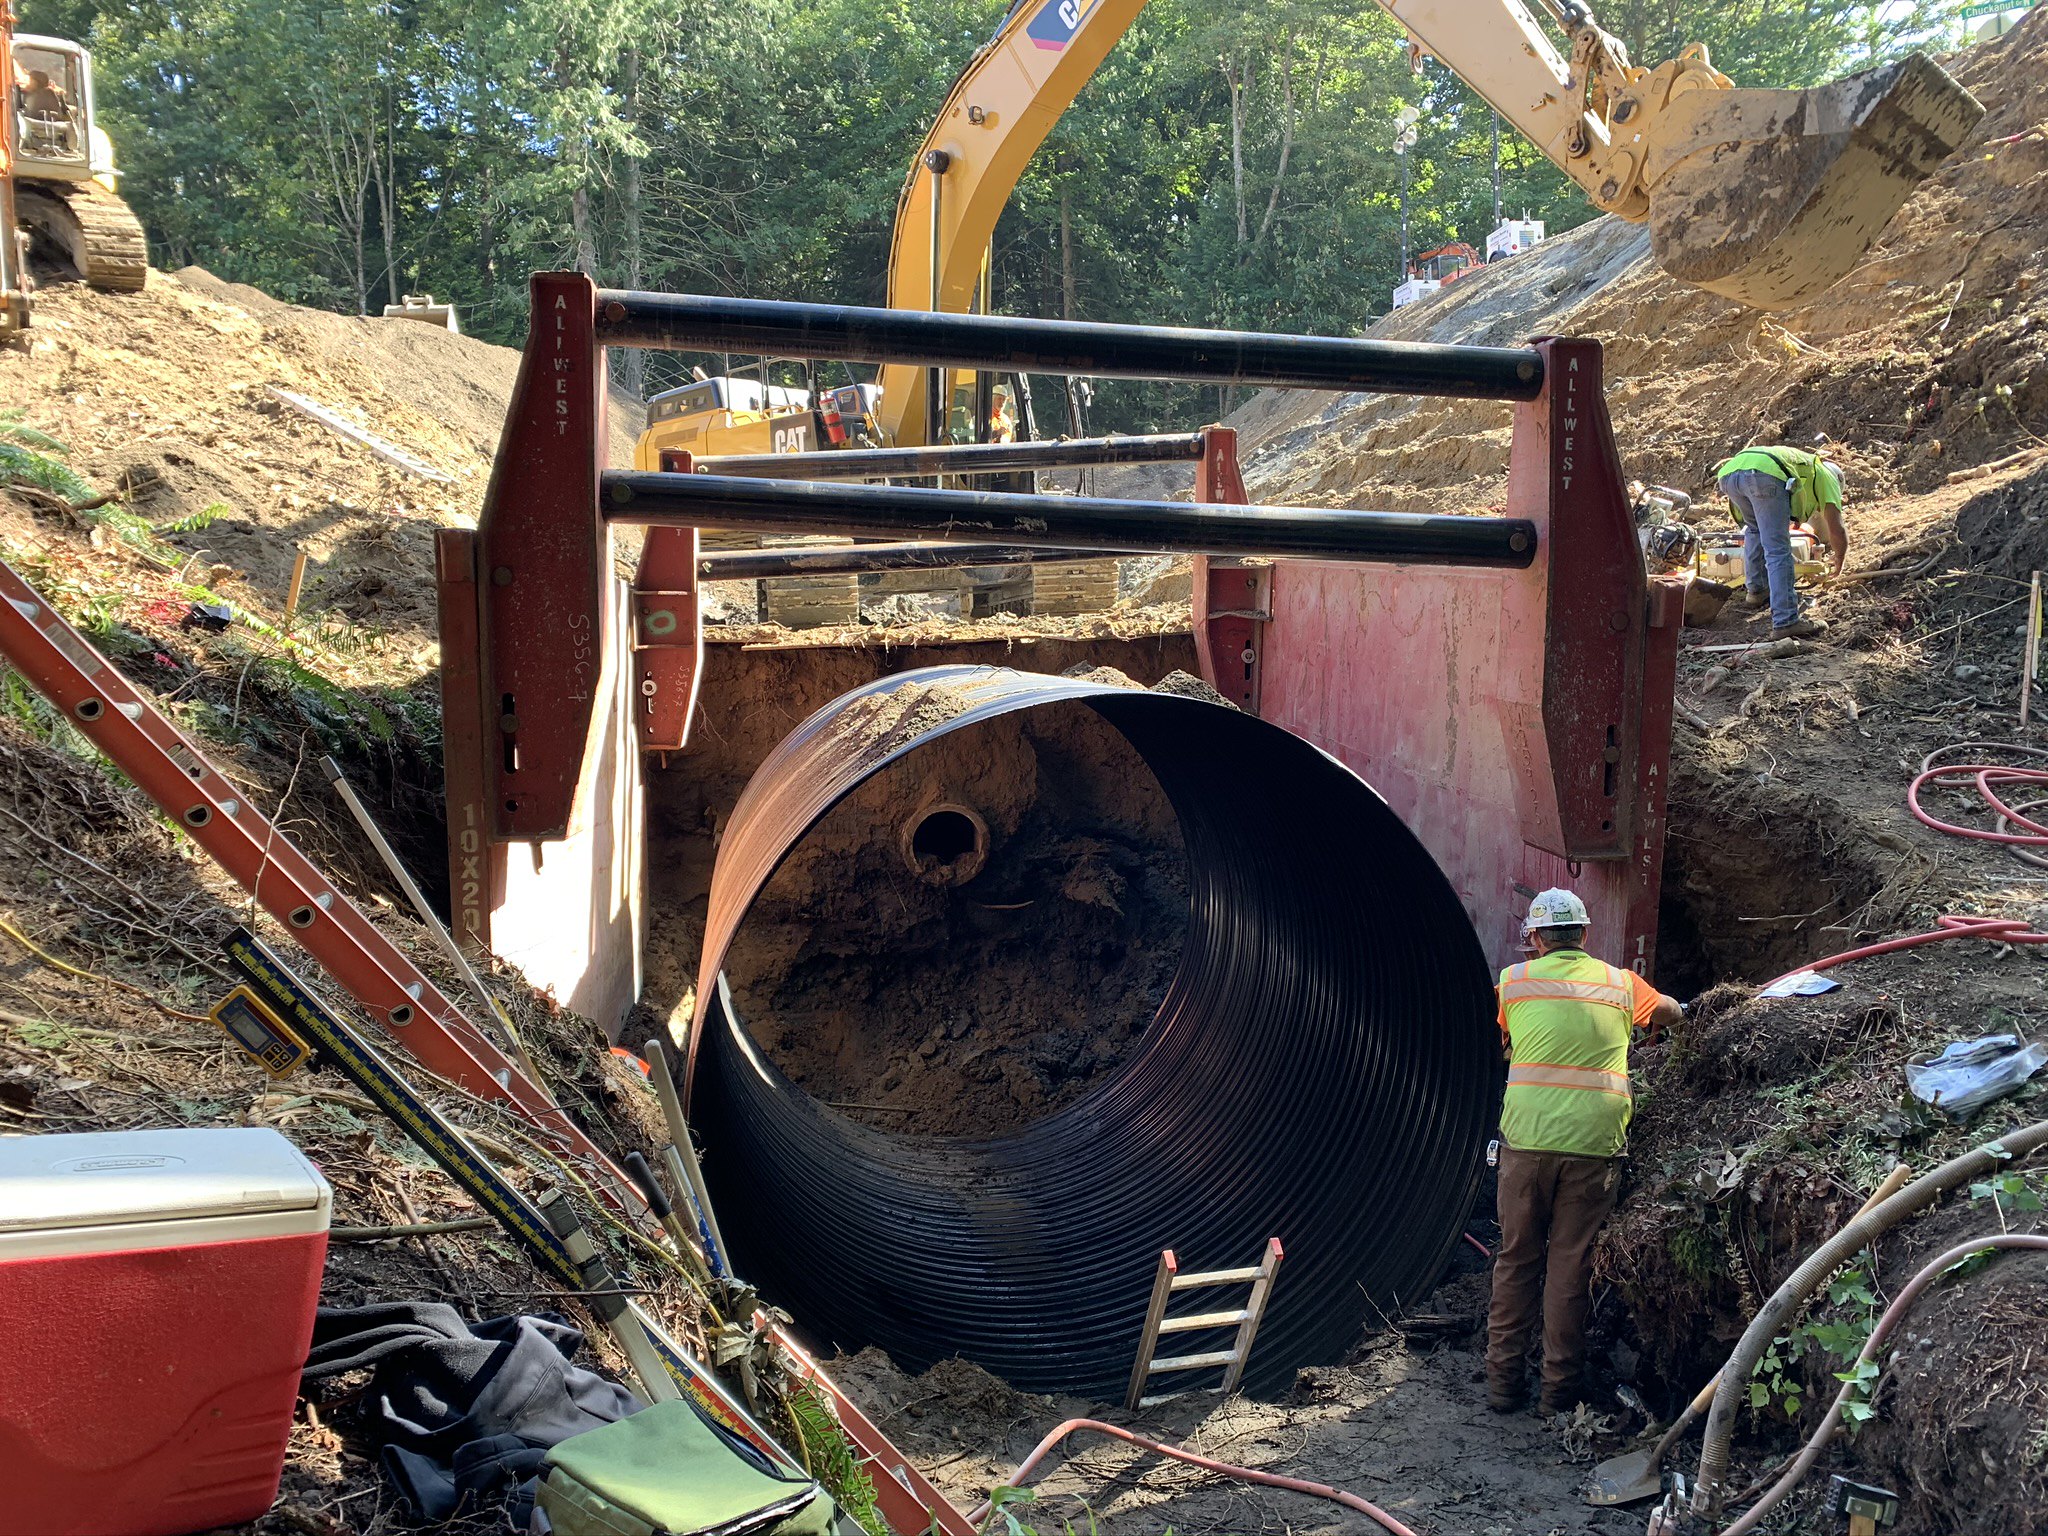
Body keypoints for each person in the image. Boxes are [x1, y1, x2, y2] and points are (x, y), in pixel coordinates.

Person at [1486, 888, 1683, 1415]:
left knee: (1516, 1260)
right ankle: (1557, 1395)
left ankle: (1503, 1386)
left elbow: (1507, 1042)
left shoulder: (1513, 982)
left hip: (1526, 1142)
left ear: (1535, 937)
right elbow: (1671, 1014)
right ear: (1585, 935)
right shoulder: (1622, 983)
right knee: (1569, 1266)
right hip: (1595, 1146)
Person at [1713, 444, 1848, 640]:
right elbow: (1837, 528)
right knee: (1777, 549)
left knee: (1755, 530)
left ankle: (1757, 590)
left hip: (1731, 473)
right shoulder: (1828, 478)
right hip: (1762, 475)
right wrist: (1840, 559)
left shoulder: (1806, 466)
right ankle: (1786, 621)